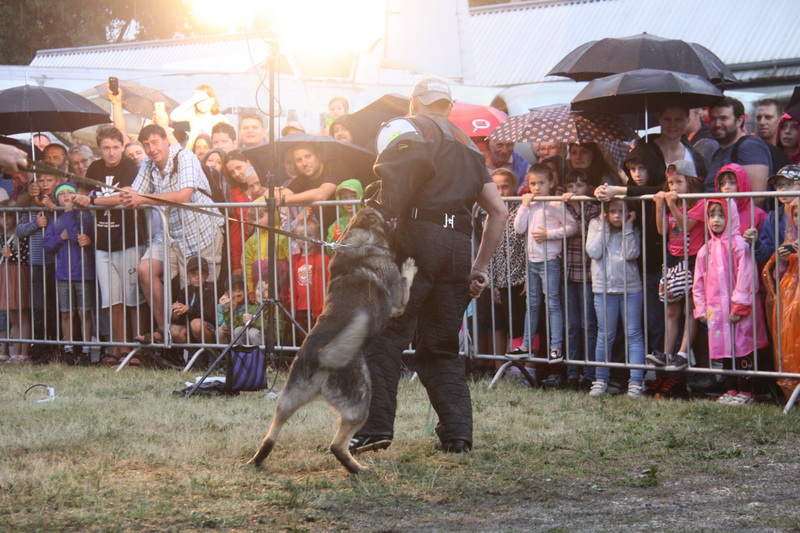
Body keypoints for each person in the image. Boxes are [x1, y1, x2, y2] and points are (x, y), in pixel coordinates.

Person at [351, 77, 507, 454]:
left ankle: (375, 429)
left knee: (385, 337)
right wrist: (479, 267)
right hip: (457, 247)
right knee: (440, 347)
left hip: (416, 240)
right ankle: (457, 435)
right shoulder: (471, 148)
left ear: (414, 103)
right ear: (449, 107)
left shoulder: (410, 128)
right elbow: (499, 212)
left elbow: (393, 182)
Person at [121, 124, 224, 342]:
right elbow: (131, 196)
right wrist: (89, 200)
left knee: (203, 294)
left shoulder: (186, 157)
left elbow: (184, 195)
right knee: (146, 269)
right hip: (174, 236)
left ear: (166, 140)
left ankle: (207, 352)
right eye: (146, 144)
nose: (151, 149)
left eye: (155, 142)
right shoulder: (148, 164)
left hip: (202, 233)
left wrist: (143, 198)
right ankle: (164, 331)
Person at [73, 125, 146, 366]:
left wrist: (92, 200)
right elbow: (80, 193)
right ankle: (120, 346)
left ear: (122, 147)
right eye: (106, 148)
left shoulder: (129, 166)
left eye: (116, 147)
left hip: (128, 239)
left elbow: (124, 198)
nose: (111, 153)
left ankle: (137, 348)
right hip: (102, 242)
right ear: (99, 149)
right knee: (112, 299)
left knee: (132, 298)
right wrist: (75, 197)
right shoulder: (94, 167)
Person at [693, 199, 768, 405]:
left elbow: (746, 277)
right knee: (723, 349)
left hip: (738, 310)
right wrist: (701, 309)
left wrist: (740, 305)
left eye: (721, 215)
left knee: (743, 347)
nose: (716, 220)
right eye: (712, 215)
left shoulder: (739, 246)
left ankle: (747, 391)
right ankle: (731, 389)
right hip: (717, 311)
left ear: (732, 217)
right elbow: (698, 282)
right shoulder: (705, 250)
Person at [508, 164, 577, 364]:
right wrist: (523, 205)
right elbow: (519, 228)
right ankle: (525, 345)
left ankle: (556, 347)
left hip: (550, 261)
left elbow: (573, 226)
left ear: (551, 183)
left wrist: (550, 234)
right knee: (532, 304)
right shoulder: (531, 204)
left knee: (552, 303)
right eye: (532, 183)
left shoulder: (555, 204)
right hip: (532, 261)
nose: (536, 188)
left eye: (541, 183)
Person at [585, 199, 645, 397]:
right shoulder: (595, 225)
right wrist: (603, 228)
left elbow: (631, 253)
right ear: (605, 213)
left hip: (631, 289)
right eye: (613, 211)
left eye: (622, 211)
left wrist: (628, 227)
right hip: (603, 289)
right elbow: (593, 251)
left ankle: (636, 381)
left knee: (634, 334)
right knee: (605, 335)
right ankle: (600, 379)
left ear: (629, 213)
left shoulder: (631, 228)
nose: (617, 216)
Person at [651, 161, 705, 374]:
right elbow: (661, 230)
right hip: (674, 259)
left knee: (689, 308)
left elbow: (686, 227)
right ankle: (667, 352)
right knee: (672, 308)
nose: (673, 187)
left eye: (679, 182)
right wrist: (658, 206)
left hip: (692, 258)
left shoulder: (698, 204)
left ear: (690, 183)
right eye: (670, 183)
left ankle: (682, 353)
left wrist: (672, 205)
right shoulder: (673, 203)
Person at [42, 183, 95, 365]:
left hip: (83, 271)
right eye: (61, 194)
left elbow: (74, 234)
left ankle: (86, 350)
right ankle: (68, 349)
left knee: (84, 312)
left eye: (69, 193)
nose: (65, 196)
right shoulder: (56, 218)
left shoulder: (85, 215)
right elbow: (47, 244)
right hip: (62, 272)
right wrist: (60, 237)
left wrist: (69, 212)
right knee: (66, 312)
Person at [561, 169, 600, 389]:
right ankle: (572, 372)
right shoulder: (561, 205)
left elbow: (588, 234)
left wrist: (577, 208)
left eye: (579, 185)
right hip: (567, 272)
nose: (574, 190)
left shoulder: (592, 207)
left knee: (588, 324)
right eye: (570, 186)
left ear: (587, 188)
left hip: (587, 273)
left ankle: (591, 372)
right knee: (572, 324)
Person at [16, 173, 59, 363]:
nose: (45, 184)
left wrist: (53, 209)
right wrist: (35, 223)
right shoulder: (32, 205)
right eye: (41, 181)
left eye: (49, 180)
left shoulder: (58, 202)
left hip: (56, 262)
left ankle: (57, 346)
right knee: (40, 307)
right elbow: (19, 230)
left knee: (55, 306)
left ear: (56, 182)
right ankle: (41, 348)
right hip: (37, 263)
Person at [706, 97, 772, 199]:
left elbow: (756, 198)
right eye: (713, 119)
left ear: (739, 121)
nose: (717, 124)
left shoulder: (750, 147)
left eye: (723, 118)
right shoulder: (719, 152)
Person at [0, 201, 31, 362]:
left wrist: (11, 255)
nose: (5, 220)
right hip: (5, 273)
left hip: (17, 271)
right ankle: (15, 352)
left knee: (22, 313)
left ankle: (24, 352)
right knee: (12, 315)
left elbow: (25, 256)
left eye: (9, 216)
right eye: (1, 216)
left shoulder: (21, 235)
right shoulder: (1, 236)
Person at [754, 165, 800, 263]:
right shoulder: (772, 218)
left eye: (789, 184)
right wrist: (756, 243)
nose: (783, 189)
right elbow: (766, 255)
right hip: (785, 275)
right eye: (779, 185)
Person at [168, 255, 216, 345]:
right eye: (193, 273)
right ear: (188, 276)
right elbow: (176, 321)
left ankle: (213, 353)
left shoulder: (211, 289)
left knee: (196, 324)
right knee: (174, 330)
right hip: (191, 328)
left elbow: (209, 315)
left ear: (206, 276)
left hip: (209, 328)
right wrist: (176, 313)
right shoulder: (185, 291)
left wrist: (189, 309)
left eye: (201, 273)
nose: (197, 277)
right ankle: (193, 356)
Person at [170, 84, 228, 152]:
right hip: (193, 155)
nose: (200, 104)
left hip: (212, 156)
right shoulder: (194, 115)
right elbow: (174, 116)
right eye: (198, 102)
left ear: (212, 100)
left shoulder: (220, 119)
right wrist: (193, 100)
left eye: (203, 100)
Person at [325, 179, 362, 247]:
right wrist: (335, 240)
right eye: (344, 197)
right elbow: (329, 251)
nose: (349, 201)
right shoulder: (337, 225)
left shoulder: (368, 221)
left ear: (360, 195)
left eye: (353, 196)